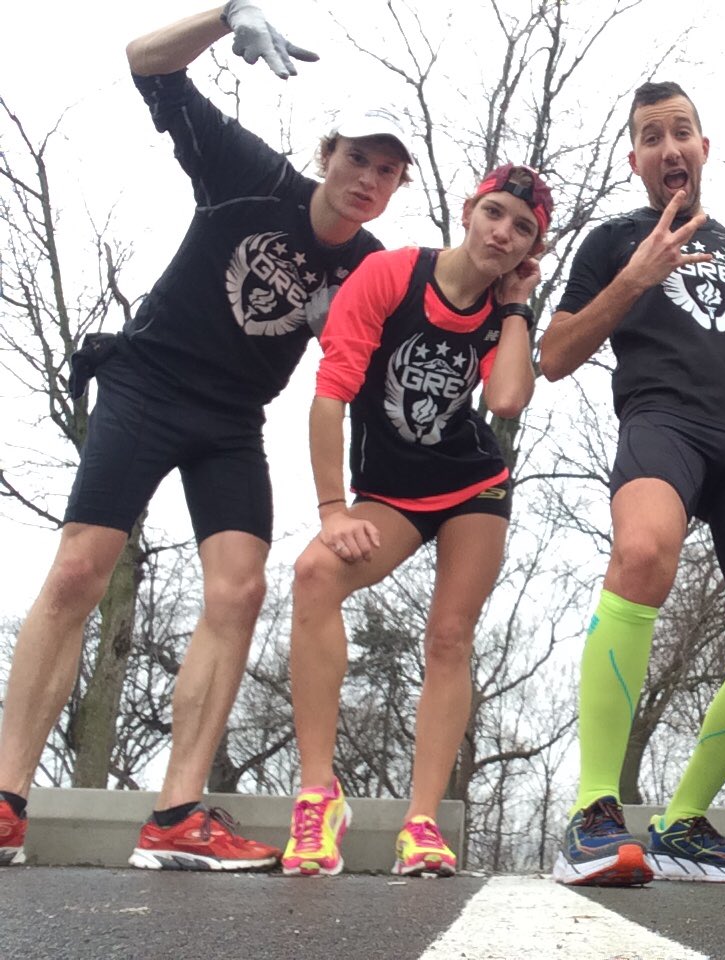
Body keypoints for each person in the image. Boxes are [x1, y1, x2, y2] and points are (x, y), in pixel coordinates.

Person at [0, 2, 410, 870]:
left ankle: (177, 815)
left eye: (386, 170)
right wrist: (226, 15)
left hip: (231, 423)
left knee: (239, 590)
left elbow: (422, 334)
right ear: (328, 155)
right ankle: (5, 802)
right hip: (147, 384)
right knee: (79, 569)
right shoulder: (248, 172)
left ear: (395, 186)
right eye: (357, 158)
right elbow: (145, 61)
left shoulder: (370, 265)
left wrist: (509, 293)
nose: (367, 179)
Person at [540, 81, 725, 886]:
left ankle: (682, 824)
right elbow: (554, 355)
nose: (669, 147)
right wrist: (633, 279)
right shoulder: (612, 242)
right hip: (664, 423)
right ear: (635, 159)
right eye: (651, 136)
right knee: (641, 555)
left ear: (704, 148)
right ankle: (594, 810)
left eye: (681, 132)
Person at [279, 164, 548, 877]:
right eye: (495, 213)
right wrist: (332, 511)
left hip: (471, 486)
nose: (504, 233)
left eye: (523, 229)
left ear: (532, 249)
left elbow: (508, 399)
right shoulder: (392, 275)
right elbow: (332, 393)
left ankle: (422, 822)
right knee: (314, 575)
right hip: (389, 493)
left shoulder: (499, 311)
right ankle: (318, 796)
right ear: (468, 211)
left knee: (449, 636)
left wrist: (517, 308)